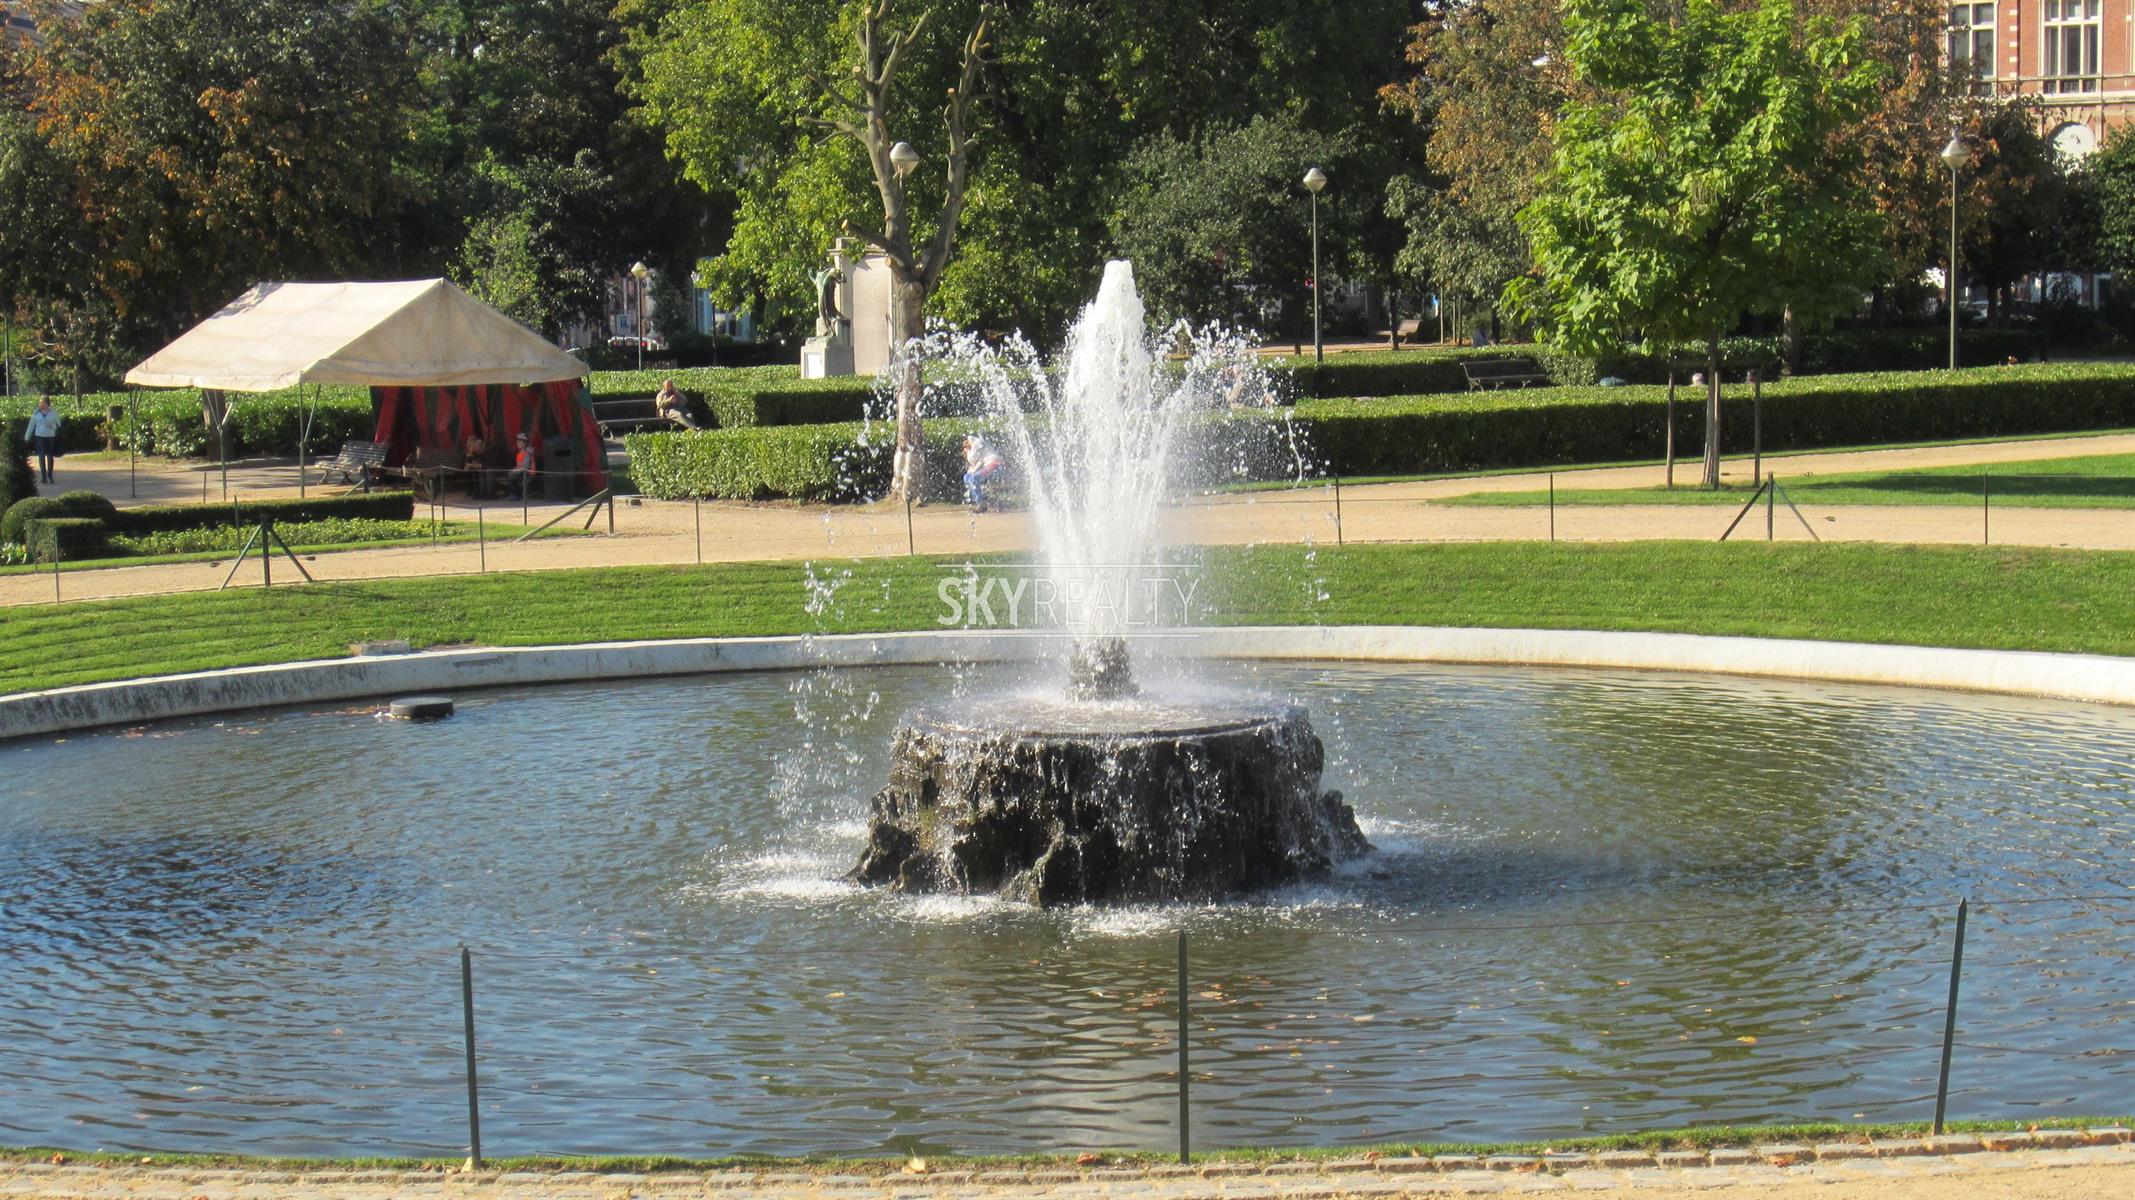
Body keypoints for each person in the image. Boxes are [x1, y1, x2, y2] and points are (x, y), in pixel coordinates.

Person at [962, 434, 1004, 513]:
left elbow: (975, 461)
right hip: (989, 466)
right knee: (967, 477)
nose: (966, 446)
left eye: (967, 443)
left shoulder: (978, 444)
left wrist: (968, 451)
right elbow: (976, 465)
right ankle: (983, 499)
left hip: (996, 465)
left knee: (973, 479)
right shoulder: (976, 450)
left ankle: (982, 503)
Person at [24, 397, 61, 484]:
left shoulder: (53, 413)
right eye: (40, 403)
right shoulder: (36, 413)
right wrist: (26, 437)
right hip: (39, 436)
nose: (41, 404)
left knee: (50, 456)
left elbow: (58, 424)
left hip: (50, 436)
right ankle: (43, 477)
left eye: (43, 403)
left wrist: (52, 426)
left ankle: (50, 476)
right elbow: (31, 426)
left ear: (47, 403)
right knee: (41, 456)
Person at [506, 432, 537, 499]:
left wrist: (515, 471)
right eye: (517, 442)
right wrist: (514, 469)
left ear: (525, 443)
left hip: (528, 473)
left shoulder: (527, 453)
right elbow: (519, 465)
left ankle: (516, 495)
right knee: (509, 474)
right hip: (521, 472)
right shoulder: (518, 454)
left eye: (520, 442)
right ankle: (515, 493)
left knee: (511, 475)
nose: (517, 443)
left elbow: (526, 467)